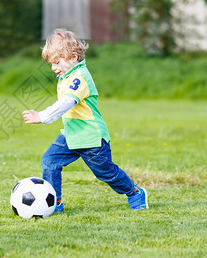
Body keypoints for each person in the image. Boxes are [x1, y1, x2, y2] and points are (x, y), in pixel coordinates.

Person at [22, 29, 148, 212]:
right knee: (50, 162)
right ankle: (54, 203)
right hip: (71, 135)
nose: (53, 68)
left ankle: (135, 192)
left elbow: (67, 103)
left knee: (106, 173)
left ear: (73, 57)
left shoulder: (80, 78)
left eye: (57, 62)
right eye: (51, 63)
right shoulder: (66, 76)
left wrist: (42, 116)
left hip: (91, 138)